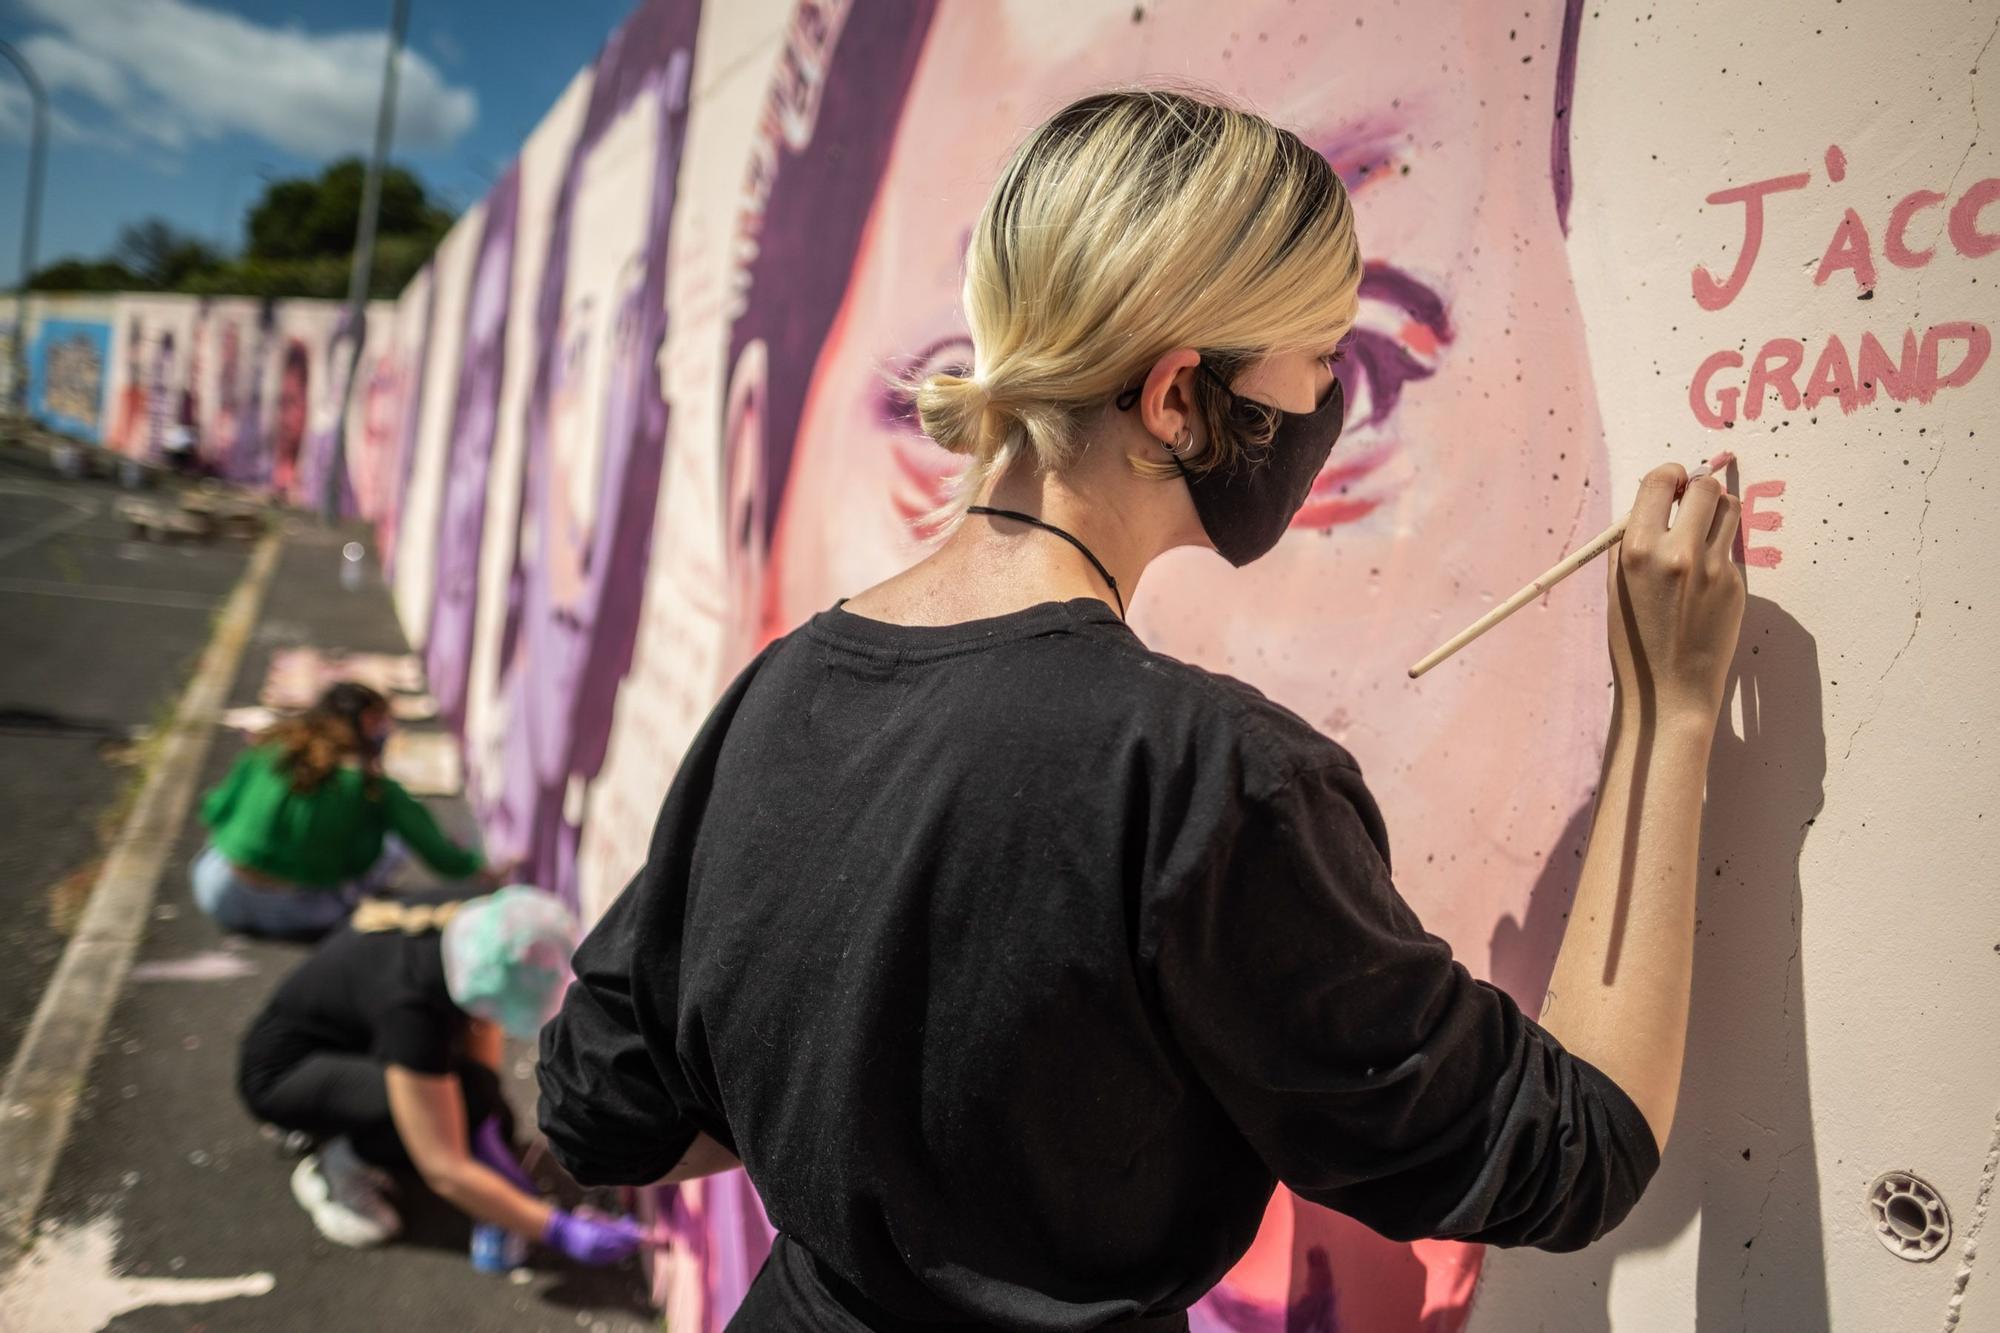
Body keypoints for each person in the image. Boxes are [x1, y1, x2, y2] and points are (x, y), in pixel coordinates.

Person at [539, 89, 1744, 1329]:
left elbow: (601, 1111)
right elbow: (1579, 1149)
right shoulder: (1203, 777)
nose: (1326, 400)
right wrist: (1668, 709)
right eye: (1327, 359)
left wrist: (857, 1113)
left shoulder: (781, 690)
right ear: (1178, 400)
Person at [237, 886, 643, 1265]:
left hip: (344, 1042)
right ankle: (336, 1166)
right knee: (416, 1124)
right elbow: (443, 1167)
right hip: (280, 1077)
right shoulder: (410, 1010)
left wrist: (484, 1122)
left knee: (477, 1107)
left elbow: (481, 1049)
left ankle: (351, 1127)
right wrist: (555, 1229)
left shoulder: (478, 924)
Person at [193, 682, 494, 939]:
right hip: (298, 915)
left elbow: (214, 810)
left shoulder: (269, 746)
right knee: (395, 845)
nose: (389, 732)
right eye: (384, 722)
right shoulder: (371, 785)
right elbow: (439, 857)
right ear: (366, 721)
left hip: (216, 891)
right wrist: (477, 866)